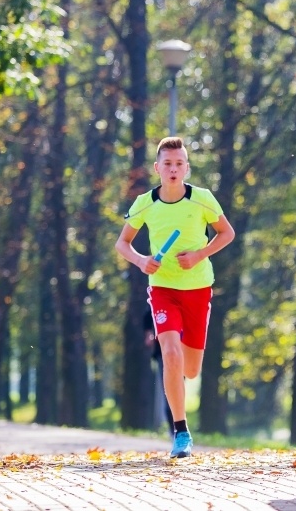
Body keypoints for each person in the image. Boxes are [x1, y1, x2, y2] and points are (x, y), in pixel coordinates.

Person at [116, 136, 235, 458]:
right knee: (169, 353)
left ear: (186, 168)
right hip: (163, 289)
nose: (173, 169)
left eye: (179, 163)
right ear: (157, 168)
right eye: (167, 163)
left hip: (198, 289)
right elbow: (122, 243)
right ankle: (181, 432)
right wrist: (141, 261)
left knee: (191, 369)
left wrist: (199, 255)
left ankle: (179, 369)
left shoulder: (202, 199)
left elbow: (227, 233)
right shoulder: (144, 203)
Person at [143, 309, 174, 432]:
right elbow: (148, 315)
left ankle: (179, 428)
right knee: (169, 391)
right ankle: (174, 430)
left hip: (184, 352)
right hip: (163, 353)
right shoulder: (159, 305)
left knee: (178, 390)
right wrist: (149, 334)